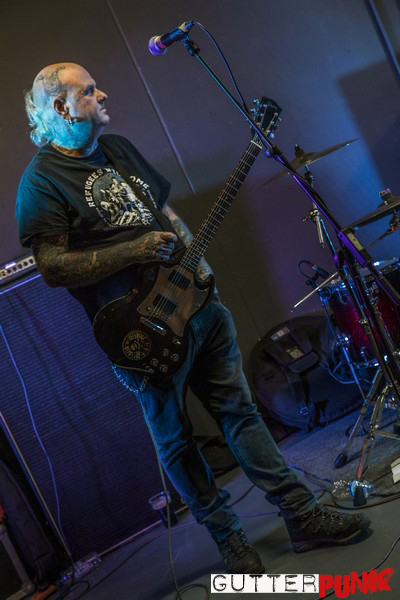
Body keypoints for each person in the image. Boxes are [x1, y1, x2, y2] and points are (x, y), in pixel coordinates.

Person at [16, 63, 370, 574]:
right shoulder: (41, 182)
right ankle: (229, 539)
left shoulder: (118, 149)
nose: (103, 94)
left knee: (240, 412)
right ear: (61, 108)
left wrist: (199, 269)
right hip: (142, 334)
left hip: (199, 307)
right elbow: (52, 267)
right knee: (176, 439)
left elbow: (166, 214)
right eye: (89, 91)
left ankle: (301, 514)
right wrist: (133, 250)